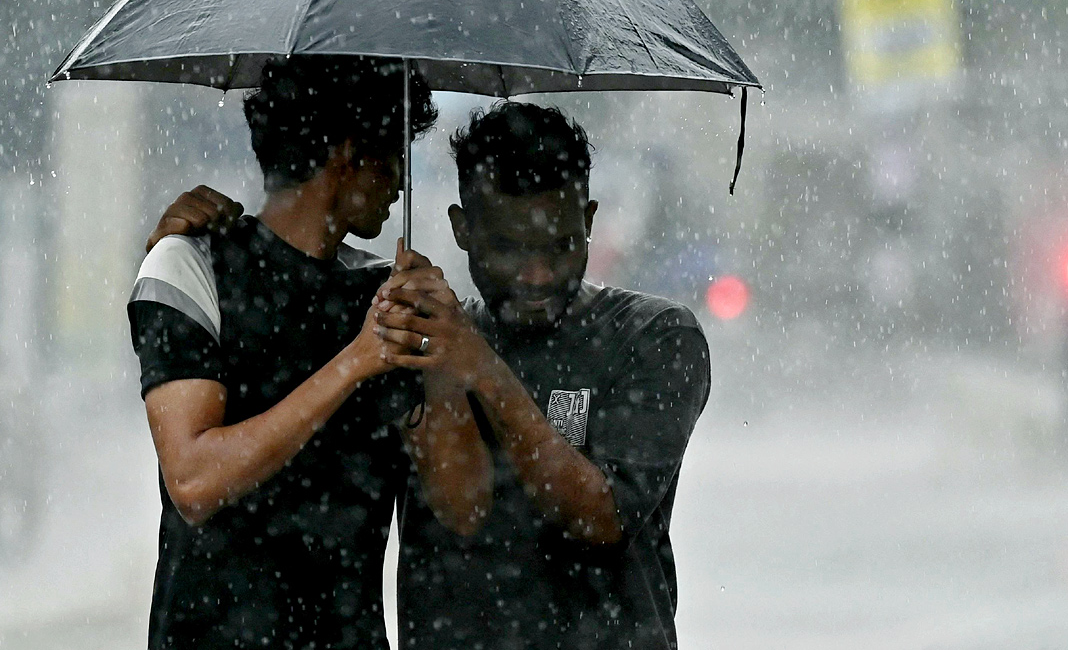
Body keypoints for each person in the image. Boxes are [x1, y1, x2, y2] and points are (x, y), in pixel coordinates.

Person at [153, 102, 711, 650]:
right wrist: (196, 254)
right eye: (509, 248)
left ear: (588, 221)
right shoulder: (420, 334)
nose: (536, 274)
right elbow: (450, 504)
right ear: (462, 229)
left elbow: (602, 518)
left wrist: (484, 371)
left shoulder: (652, 337)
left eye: (560, 246)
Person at [129, 56, 447, 650]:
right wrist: (357, 361)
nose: (402, 181)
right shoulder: (190, 265)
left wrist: (450, 355)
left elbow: (453, 499)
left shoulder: (385, 298)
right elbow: (195, 481)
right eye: (394, 157)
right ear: (348, 157)